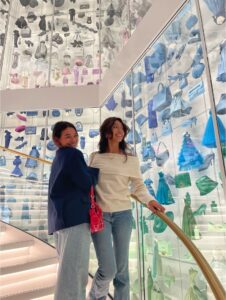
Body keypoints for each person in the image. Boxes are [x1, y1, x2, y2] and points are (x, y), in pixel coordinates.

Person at [88, 117, 165, 300]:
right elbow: (88, 186)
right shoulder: (95, 157)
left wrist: (149, 201)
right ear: (107, 132)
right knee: (107, 268)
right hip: (101, 216)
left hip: (123, 214)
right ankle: (95, 297)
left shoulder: (131, 160)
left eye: (122, 128)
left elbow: (138, 187)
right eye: (115, 127)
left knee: (122, 269)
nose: (119, 130)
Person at [48, 121, 99, 300]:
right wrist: (93, 171)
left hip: (60, 221)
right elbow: (86, 183)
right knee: (74, 274)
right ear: (57, 140)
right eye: (67, 136)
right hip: (75, 220)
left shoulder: (59, 158)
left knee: (67, 271)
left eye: (75, 135)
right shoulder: (73, 154)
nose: (73, 140)